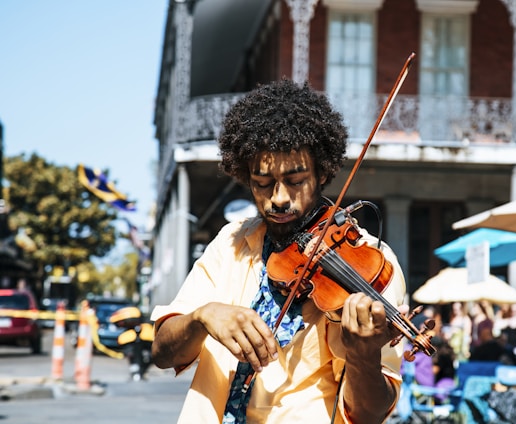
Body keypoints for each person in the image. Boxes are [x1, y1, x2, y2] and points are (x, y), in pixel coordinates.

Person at [150, 79, 408, 424]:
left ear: (322, 174)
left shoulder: (371, 263)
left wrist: (364, 357)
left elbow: (371, 413)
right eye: (262, 183)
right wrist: (202, 317)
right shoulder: (231, 243)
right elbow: (162, 352)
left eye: (296, 180)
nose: (279, 198)